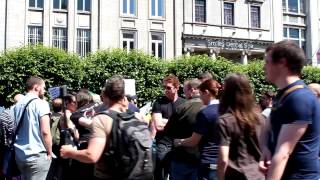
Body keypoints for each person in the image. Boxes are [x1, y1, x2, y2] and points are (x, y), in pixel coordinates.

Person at [60, 75, 150, 180]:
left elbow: (91, 155)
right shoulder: (136, 116)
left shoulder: (102, 119)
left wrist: (69, 152)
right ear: (123, 96)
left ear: (105, 95)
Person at [259, 40, 320, 180]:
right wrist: (265, 150)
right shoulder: (283, 94)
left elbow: (283, 152)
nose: (264, 67)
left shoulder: (299, 98)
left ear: (282, 62)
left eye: (267, 61)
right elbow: (267, 128)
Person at [217, 73, 264, 180]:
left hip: (236, 175)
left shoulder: (225, 121)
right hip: (258, 175)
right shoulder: (260, 118)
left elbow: (223, 160)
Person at [173, 79, 221, 180]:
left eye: (201, 94)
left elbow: (193, 141)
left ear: (206, 92)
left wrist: (179, 142)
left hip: (208, 162)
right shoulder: (226, 110)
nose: (200, 98)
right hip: (222, 161)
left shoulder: (206, 113)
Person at [13, 76, 53, 180]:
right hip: (37, 155)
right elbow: (45, 132)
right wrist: (49, 152)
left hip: (19, 155)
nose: (44, 91)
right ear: (36, 87)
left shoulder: (16, 105)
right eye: (43, 88)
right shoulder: (41, 103)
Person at [164, 78, 204, 180]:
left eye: (185, 90)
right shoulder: (210, 107)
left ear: (192, 90)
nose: (184, 93)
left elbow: (168, 130)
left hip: (182, 158)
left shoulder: (182, 108)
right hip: (202, 158)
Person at [151, 75, 186, 180]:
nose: (165, 90)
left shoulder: (184, 103)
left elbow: (186, 126)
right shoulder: (159, 103)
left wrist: (166, 121)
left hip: (179, 144)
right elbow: (158, 126)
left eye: (168, 88)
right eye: (164, 87)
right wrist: (177, 123)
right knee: (160, 174)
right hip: (163, 144)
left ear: (177, 87)